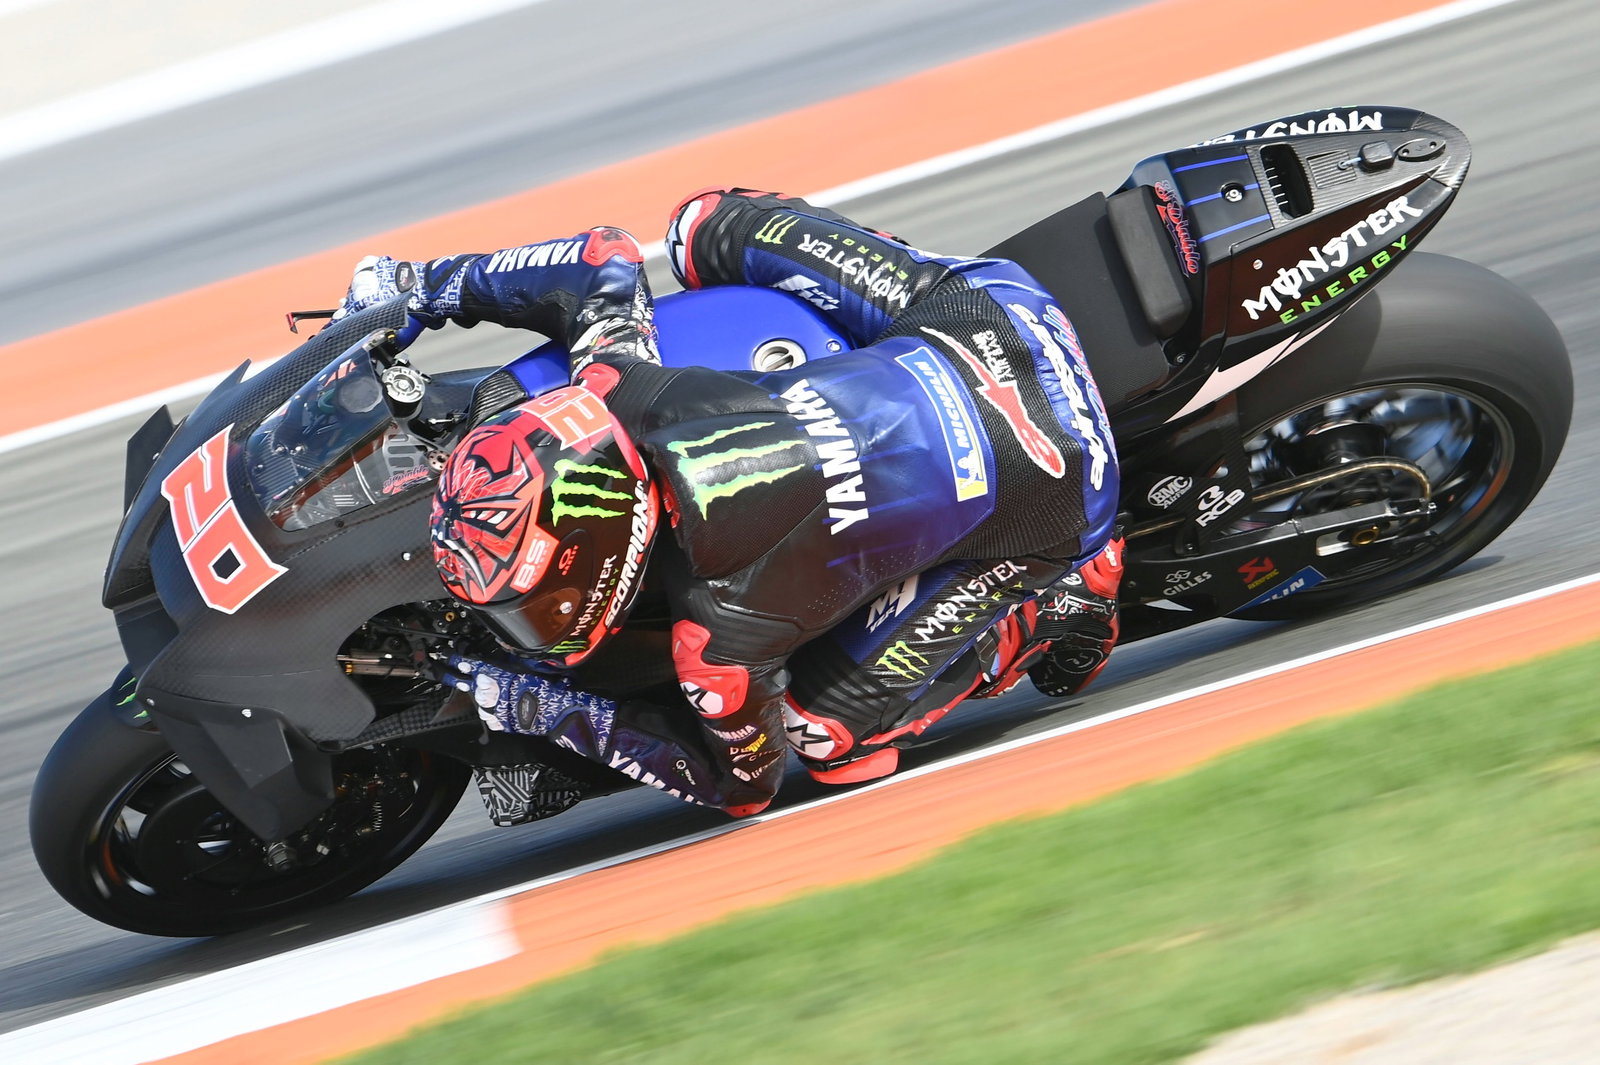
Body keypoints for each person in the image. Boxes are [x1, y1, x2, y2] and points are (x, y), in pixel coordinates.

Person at [335, 188, 1123, 817]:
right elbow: (600, 258)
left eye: (535, 600)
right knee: (699, 225)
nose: (532, 621)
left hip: (1057, 482)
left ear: (604, 552)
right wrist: (416, 290)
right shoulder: (618, 385)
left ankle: (1054, 605)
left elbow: (742, 784)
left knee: (828, 739)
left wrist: (533, 703)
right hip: (990, 312)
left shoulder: (720, 636)